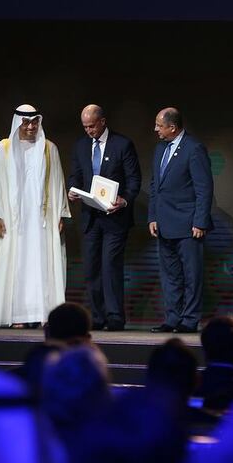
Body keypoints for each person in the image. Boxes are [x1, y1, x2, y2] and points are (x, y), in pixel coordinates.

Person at [0, 104, 70, 328]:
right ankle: (16, 316)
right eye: (26, 122)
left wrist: (60, 214)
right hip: (13, 220)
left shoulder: (49, 149)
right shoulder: (3, 148)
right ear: (17, 122)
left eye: (34, 122)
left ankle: (43, 314)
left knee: (42, 265)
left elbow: (57, 183)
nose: (30, 127)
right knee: (16, 265)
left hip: (41, 222)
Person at [68, 104, 142, 332]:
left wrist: (124, 200)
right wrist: (73, 190)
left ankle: (115, 317)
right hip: (90, 218)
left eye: (91, 126)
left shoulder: (122, 144)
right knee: (91, 269)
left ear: (102, 121)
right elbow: (75, 176)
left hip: (114, 218)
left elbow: (134, 180)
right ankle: (98, 317)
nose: (88, 130)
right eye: (85, 127)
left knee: (110, 267)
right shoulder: (80, 146)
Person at [148, 107, 214, 333]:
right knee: (170, 276)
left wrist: (200, 221)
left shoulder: (193, 149)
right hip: (164, 224)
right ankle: (172, 318)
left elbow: (204, 188)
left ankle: (189, 319)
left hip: (188, 225)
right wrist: (153, 216)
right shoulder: (159, 149)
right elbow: (155, 186)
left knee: (191, 275)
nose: (155, 129)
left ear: (172, 127)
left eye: (159, 125)